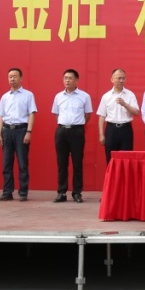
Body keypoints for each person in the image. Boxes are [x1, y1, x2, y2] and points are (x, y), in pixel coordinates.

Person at [52, 69, 93, 203]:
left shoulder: (84, 96)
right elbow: (56, 114)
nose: (67, 80)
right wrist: (64, 125)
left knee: (77, 163)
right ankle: (61, 192)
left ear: (76, 80)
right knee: (61, 163)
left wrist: (78, 125)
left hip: (77, 131)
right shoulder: (58, 96)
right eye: (65, 78)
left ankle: (77, 193)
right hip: (61, 130)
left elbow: (87, 115)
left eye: (70, 78)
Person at [0, 68, 37, 201]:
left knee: (22, 163)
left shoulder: (28, 95)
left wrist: (29, 132)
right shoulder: (5, 96)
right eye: (10, 76)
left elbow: (32, 114)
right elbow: (1, 116)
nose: (12, 79)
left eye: (15, 76)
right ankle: (7, 192)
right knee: (6, 164)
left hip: (21, 130)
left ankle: (23, 192)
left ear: (21, 78)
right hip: (7, 131)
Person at [97, 68, 138, 165]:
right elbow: (102, 116)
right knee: (111, 160)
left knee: (127, 160)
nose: (121, 80)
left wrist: (125, 104)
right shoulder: (106, 96)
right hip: (111, 130)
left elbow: (136, 112)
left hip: (126, 129)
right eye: (119, 78)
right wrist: (101, 134)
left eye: (123, 78)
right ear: (112, 79)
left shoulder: (130, 95)